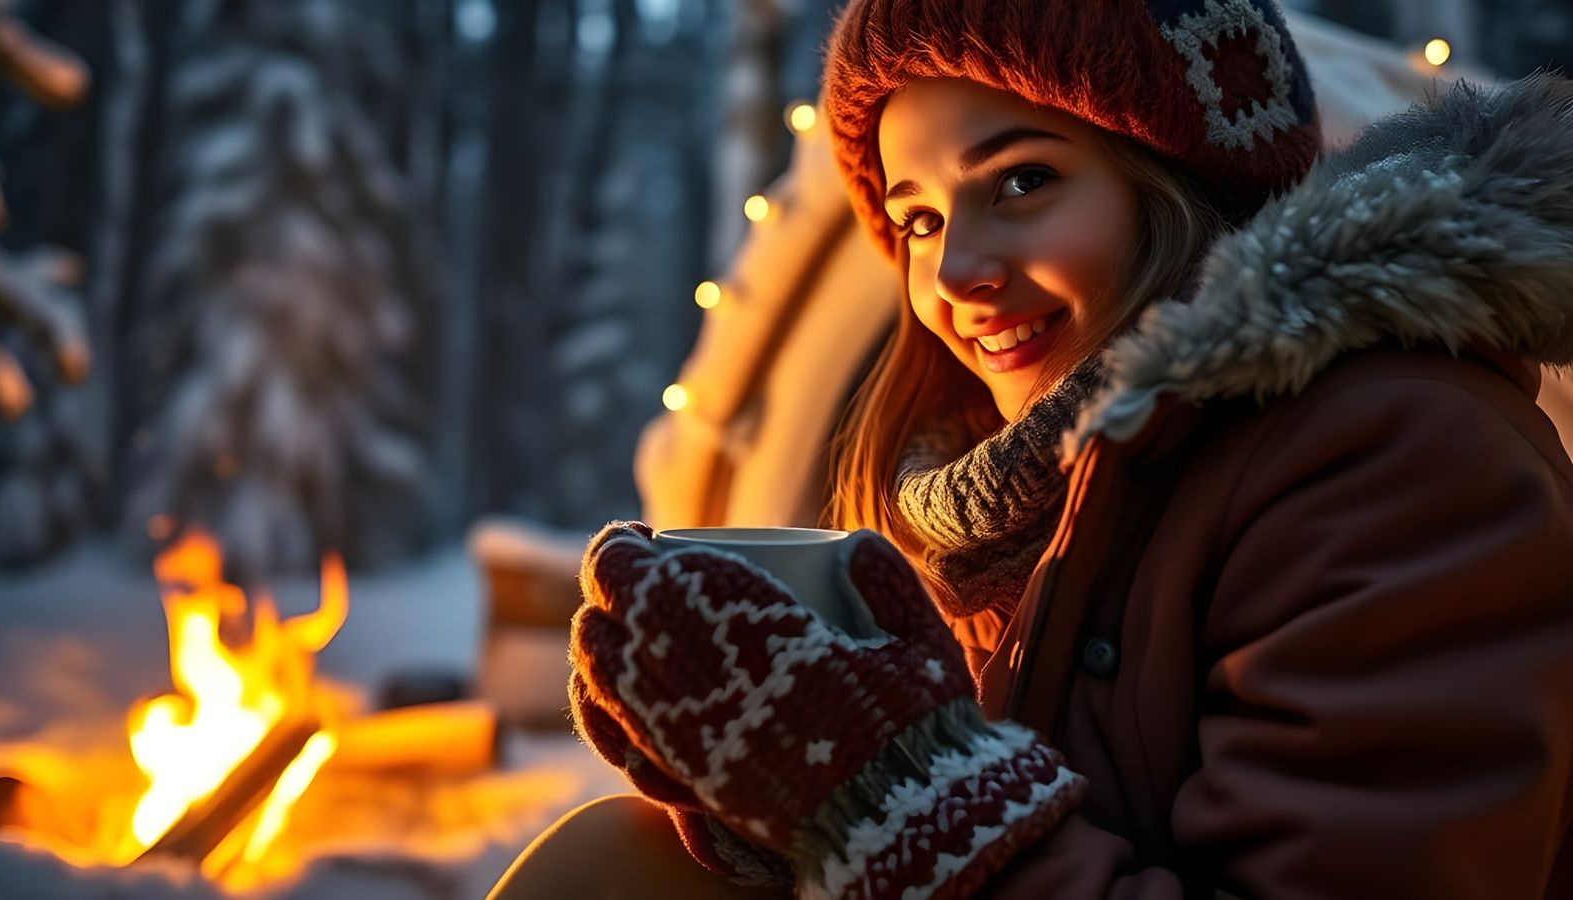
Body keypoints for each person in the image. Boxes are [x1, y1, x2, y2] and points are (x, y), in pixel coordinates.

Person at [490, 0, 1573, 897]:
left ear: (1173, 186)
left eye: (1019, 181)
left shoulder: (1399, 458)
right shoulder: (1016, 503)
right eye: (915, 220)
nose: (955, 272)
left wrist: (894, 798)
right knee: (616, 857)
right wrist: (772, 799)